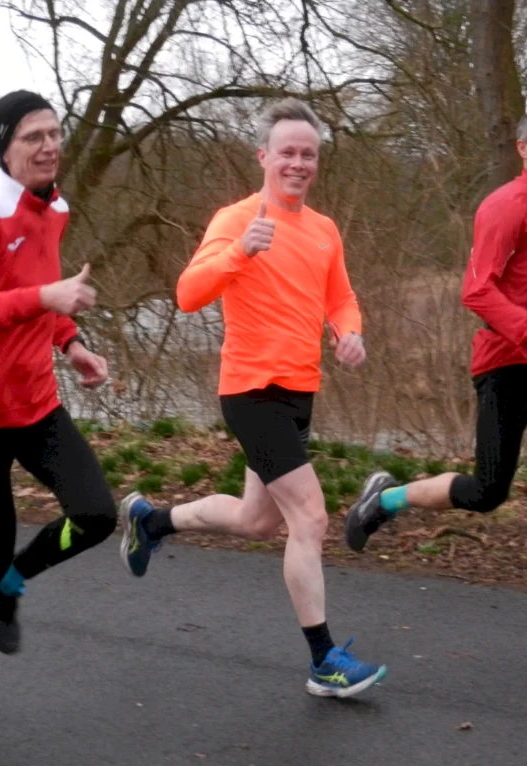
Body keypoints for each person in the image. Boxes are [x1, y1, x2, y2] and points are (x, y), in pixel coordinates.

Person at [119, 98, 387, 698]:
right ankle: (324, 661)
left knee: (258, 520)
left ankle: (150, 522)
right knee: (310, 516)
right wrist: (240, 251)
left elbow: (341, 298)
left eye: (308, 154)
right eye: (287, 152)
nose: (298, 163)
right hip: (251, 390)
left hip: (299, 393)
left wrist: (351, 334)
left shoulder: (323, 230)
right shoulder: (235, 218)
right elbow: (188, 293)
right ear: (263, 156)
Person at [344, 104, 527, 651]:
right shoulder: (505, 205)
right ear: (524, 148)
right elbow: (476, 291)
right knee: (486, 492)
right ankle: (383, 500)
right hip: (506, 366)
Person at [0, 89, 118, 735]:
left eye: (54, 132)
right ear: (5, 147)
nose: (49, 145)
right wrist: (46, 298)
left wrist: (75, 343)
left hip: (34, 400)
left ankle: (14, 582)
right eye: (33, 136)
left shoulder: (52, 206)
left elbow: (40, 295)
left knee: (94, 515)